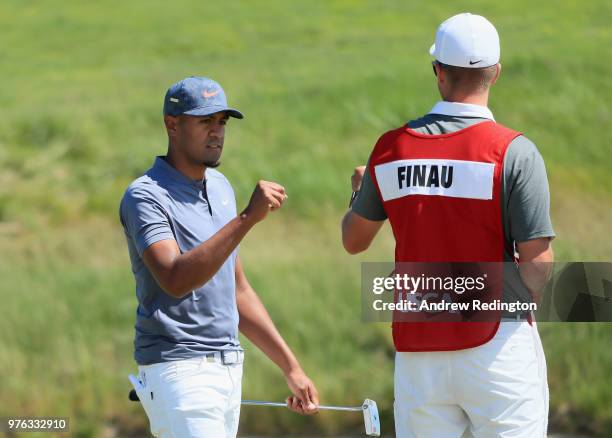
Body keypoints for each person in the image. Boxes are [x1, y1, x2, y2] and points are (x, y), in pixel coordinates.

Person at [341, 13, 554, 437]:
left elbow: (353, 240)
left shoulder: (391, 149)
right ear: (495, 73)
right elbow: (537, 264)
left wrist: (357, 192)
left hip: (419, 356)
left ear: (438, 71)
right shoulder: (515, 151)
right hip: (497, 346)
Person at [120, 76, 319, 437]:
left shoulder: (220, 187)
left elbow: (237, 290)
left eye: (222, 122)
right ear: (172, 125)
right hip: (178, 371)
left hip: (228, 368)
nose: (217, 132)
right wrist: (246, 219)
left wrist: (291, 367)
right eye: (205, 121)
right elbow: (175, 278)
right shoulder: (145, 196)